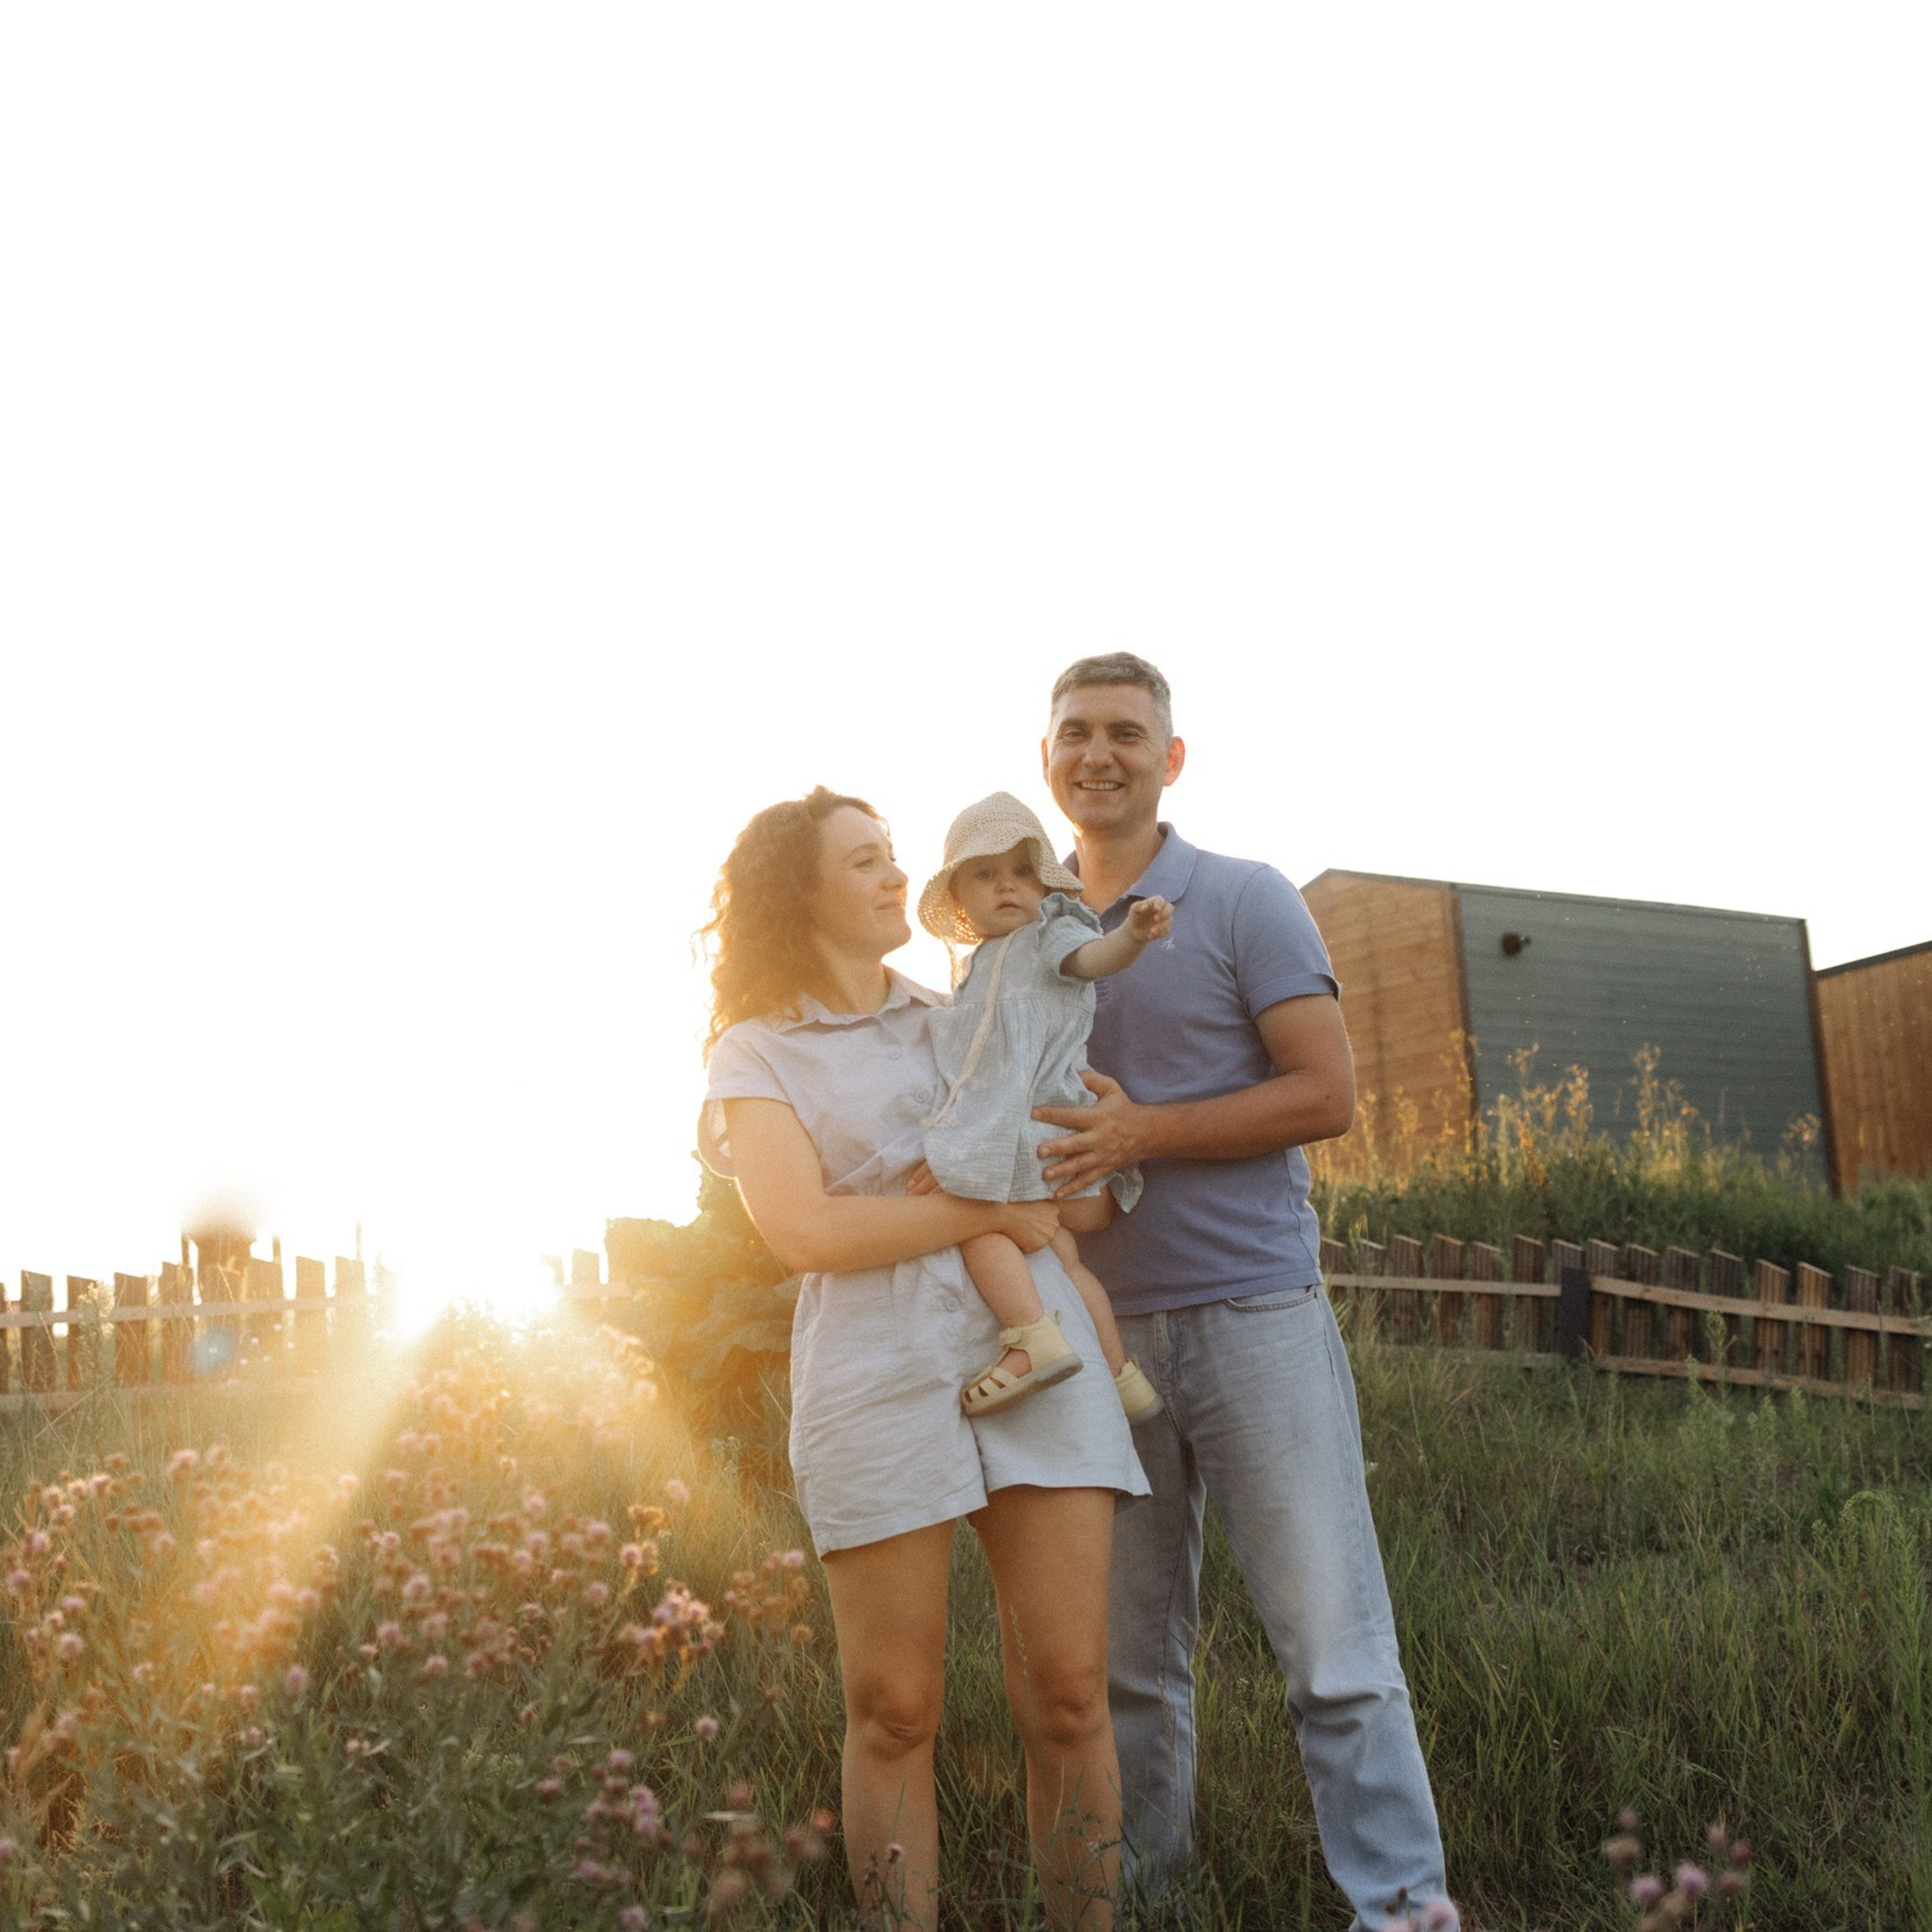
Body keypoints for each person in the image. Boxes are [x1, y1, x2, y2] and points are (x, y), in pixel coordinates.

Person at [1029, 655, 1457, 1931]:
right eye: (1073, 733)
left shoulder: (1244, 900)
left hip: (1254, 1317)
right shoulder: (1024, 931)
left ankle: (1403, 1910)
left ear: (1170, 759)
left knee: (1334, 1654)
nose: (1096, 751)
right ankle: (1151, 1902)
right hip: (1099, 1339)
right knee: (1126, 1673)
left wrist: (1139, 1137)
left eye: (1124, 732)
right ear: (1045, 756)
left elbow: (1327, 1096)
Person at [696, 786, 1149, 1931]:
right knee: (895, 1708)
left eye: (894, 856)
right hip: (877, 1371)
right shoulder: (755, 1054)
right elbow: (805, 1232)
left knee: (1069, 1692)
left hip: (1031, 1339)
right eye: (865, 863)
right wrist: (980, 1208)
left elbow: (1074, 1204)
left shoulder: (972, 1001)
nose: (898, 877)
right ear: (797, 896)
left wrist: (1097, 1145)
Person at [913, 790, 1168, 1421]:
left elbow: (1093, 959)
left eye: (1023, 871)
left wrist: (1130, 934)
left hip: (1028, 1125)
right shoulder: (975, 966)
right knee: (1063, 1256)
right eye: (985, 874)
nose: (1007, 886)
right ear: (960, 898)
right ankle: (1120, 1374)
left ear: (1046, 883)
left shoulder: (1051, 934)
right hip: (1024, 1130)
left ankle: (1030, 1337)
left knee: (978, 1219)